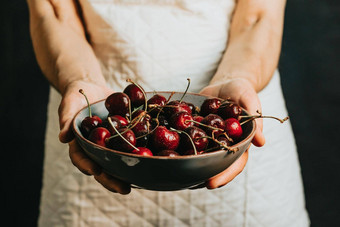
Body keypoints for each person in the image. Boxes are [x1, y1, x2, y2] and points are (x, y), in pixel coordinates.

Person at [27, 0, 309, 226]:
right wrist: (79, 79)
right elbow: (54, 10)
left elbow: (259, 15)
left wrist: (240, 76)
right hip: (99, 123)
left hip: (226, 123)